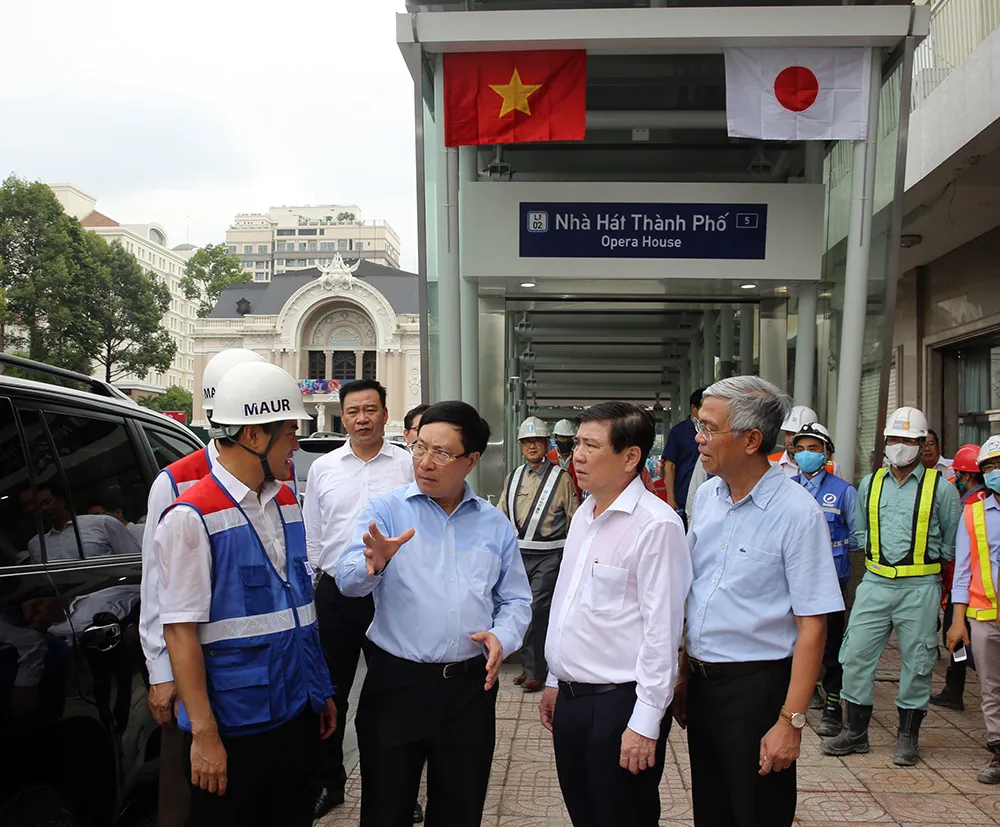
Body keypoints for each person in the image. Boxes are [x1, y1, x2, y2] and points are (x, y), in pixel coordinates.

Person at [157, 361, 337, 827]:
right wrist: (204, 734)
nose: (297, 444)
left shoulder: (285, 502)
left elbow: (300, 609)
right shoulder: (191, 516)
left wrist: (319, 692)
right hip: (235, 727)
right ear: (254, 435)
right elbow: (179, 632)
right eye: (290, 431)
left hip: (295, 713)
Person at [336, 401, 531, 827]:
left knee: (460, 809)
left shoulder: (493, 526)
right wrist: (376, 564)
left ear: (471, 461)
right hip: (396, 687)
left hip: (468, 691)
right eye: (419, 448)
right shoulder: (386, 511)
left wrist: (504, 636)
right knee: (386, 810)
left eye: (441, 453)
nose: (424, 462)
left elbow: (515, 600)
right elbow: (347, 580)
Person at [677, 376, 843, 827]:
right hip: (704, 685)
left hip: (758, 691)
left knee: (757, 812)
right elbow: (694, 591)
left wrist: (791, 721)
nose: (698, 438)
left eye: (710, 428)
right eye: (699, 425)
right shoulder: (708, 495)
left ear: (752, 440)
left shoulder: (797, 513)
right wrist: (682, 671)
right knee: (712, 811)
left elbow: (814, 626)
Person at [539, 402, 691, 827]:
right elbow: (569, 605)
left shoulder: (656, 526)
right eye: (577, 444)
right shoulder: (585, 513)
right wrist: (554, 678)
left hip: (618, 704)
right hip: (571, 699)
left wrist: (644, 723)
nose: (577, 456)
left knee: (623, 814)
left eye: (591, 445)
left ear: (630, 457)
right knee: (585, 813)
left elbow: (664, 633)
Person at [821, 406, 960, 766]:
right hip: (875, 581)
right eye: (894, 439)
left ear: (921, 444)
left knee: (918, 661)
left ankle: (907, 737)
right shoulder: (871, 482)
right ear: (885, 442)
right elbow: (863, 532)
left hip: (921, 584)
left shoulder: (941, 488)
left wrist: (927, 562)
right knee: (854, 656)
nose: (900, 446)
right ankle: (855, 733)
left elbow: (951, 541)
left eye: (908, 440)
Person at [303, 378, 414, 821]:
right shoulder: (323, 468)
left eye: (371, 409)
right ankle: (330, 782)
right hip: (336, 596)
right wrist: (318, 582)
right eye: (353, 411)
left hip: (393, 593)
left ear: (386, 414)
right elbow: (313, 534)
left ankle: (399, 788)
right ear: (342, 415)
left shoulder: (407, 465)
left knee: (395, 695)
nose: (362, 418)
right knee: (330, 694)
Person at [788, 423, 859, 737]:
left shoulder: (844, 492)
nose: (806, 455)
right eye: (800, 449)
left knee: (831, 646)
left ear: (827, 454)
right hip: (789, 580)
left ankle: (832, 705)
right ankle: (790, 702)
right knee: (789, 642)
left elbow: (858, 538)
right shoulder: (784, 487)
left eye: (814, 449)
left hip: (831, 582)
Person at [499, 417, 578, 693]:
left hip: (550, 555)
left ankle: (536, 671)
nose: (532, 446)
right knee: (521, 609)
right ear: (521, 446)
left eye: (537, 441)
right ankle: (530, 666)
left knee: (536, 611)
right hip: (519, 556)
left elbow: (574, 519)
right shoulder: (513, 477)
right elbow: (501, 516)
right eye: (527, 442)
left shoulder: (562, 478)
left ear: (547, 444)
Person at [947, 435, 1000, 784]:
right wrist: (957, 622)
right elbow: (963, 571)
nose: (996, 472)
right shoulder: (973, 513)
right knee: (991, 688)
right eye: (990, 468)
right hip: (984, 616)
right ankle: (998, 751)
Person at [931, 443, 988, 711]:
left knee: (958, 637)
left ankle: (955, 689)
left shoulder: (967, 506)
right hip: (980, 588)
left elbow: (958, 552)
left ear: (966, 476)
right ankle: (954, 688)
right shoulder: (988, 502)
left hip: (964, 587)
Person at [22, 483, 140, 562]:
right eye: (38, 506)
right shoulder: (36, 545)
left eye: (47, 502)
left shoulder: (102, 523)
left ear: (61, 501)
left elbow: (135, 562)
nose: (44, 508)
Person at [659, 388, 704, 526]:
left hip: (709, 495)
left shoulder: (714, 432)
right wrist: (671, 499)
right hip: (683, 498)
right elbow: (669, 466)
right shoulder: (678, 432)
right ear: (694, 408)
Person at [549, 418, 583, 502]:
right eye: (562, 437)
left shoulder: (579, 457)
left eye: (568, 438)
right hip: (553, 504)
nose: (565, 441)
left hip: (575, 503)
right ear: (555, 437)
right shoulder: (548, 458)